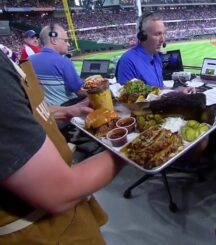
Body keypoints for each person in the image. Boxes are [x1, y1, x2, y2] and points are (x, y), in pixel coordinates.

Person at [0, 50, 125, 244]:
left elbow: (21, 113)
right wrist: (131, 147)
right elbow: (59, 192)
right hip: (39, 232)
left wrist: (66, 111)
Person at [29, 24, 86, 106]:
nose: (68, 44)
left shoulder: (28, 60)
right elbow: (79, 92)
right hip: (66, 110)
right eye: (65, 41)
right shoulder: (64, 62)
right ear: (54, 40)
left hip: (44, 112)